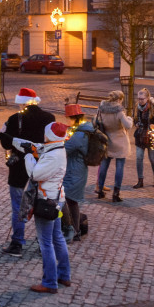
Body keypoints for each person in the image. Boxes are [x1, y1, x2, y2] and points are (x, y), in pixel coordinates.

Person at [0, 88, 53, 257]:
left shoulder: (15, 119)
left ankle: (17, 243)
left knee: (18, 207)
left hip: (20, 167)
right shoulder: (49, 118)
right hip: (43, 167)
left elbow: (7, 145)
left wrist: (5, 136)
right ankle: (44, 245)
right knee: (43, 206)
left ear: (21, 102)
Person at [19, 121, 71, 294]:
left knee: (46, 243)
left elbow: (35, 174)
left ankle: (49, 282)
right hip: (57, 199)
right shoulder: (58, 148)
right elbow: (43, 148)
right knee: (57, 237)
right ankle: (64, 275)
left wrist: (28, 156)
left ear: (49, 135)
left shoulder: (53, 156)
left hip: (46, 201)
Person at [61, 104, 93, 242]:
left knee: (68, 201)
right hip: (77, 169)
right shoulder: (82, 130)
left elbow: (65, 149)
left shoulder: (79, 134)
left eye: (68, 118)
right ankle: (74, 229)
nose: (67, 121)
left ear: (73, 118)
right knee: (70, 201)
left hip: (75, 171)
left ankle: (74, 230)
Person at [95, 90, 132, 202]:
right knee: (119, 167)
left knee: (104, 166)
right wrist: (130, 118)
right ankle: (116, 193)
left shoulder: (101, 108)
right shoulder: (119, 111)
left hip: (107, 140)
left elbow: (95, 122)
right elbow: (128, 125)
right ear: (119, 100)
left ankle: (100, 190)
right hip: (120, 141)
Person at [132, 88, 154, 189]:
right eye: (139, 99)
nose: (140, 101)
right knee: (139, 158)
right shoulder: (136, 107)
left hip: (151, 136)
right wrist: (135, 123)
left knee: (152, 158)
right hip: (140, 135)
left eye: (142, 99)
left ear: (147, 98)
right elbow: (134, 118)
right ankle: (140, 180)